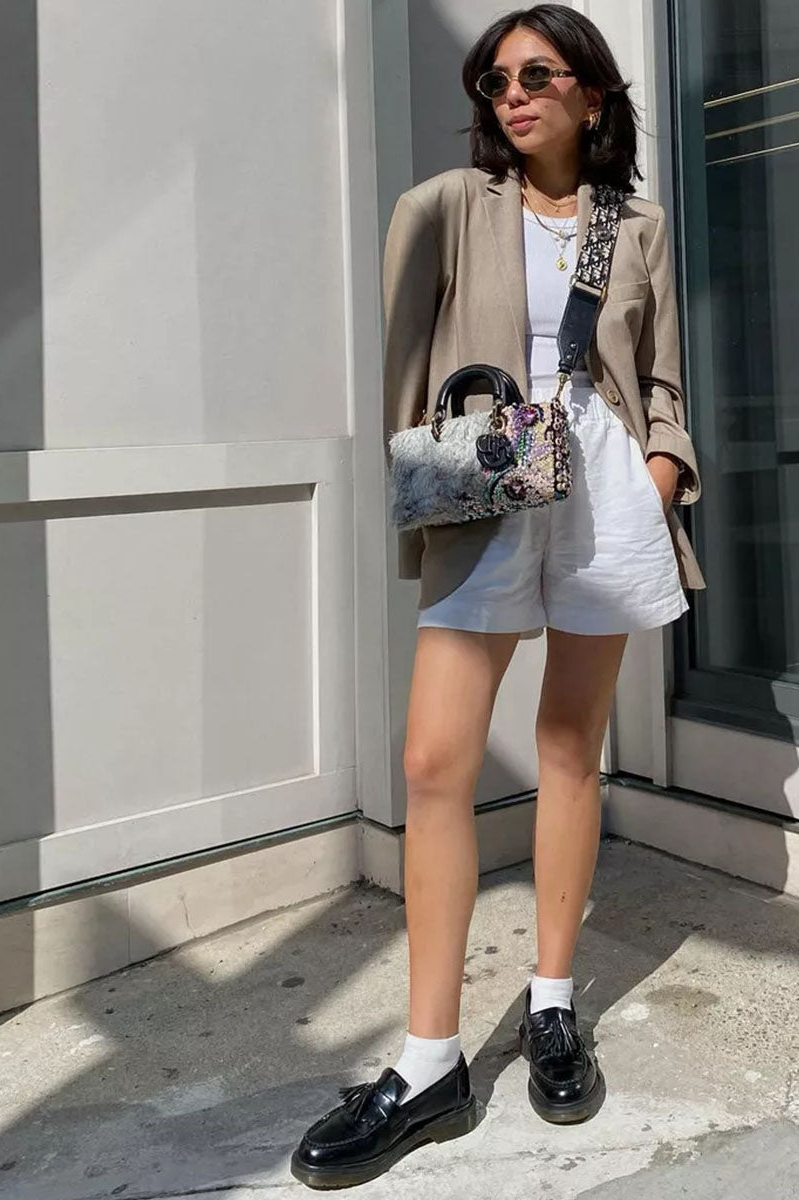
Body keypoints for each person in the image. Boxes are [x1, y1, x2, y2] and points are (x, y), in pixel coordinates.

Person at [290, 5, 703, 1189]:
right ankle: (430, 1063)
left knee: (570, 746)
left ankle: (553, 1003)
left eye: (536, 74)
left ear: (591, 95)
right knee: (434, 762)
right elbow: (401, 365)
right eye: (494, 79)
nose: (511, 94)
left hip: (605, 491)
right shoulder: (441, 207)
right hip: (488, 481)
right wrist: (426, 476)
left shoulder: (637, 226)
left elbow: (663, 378)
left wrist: (661, 469)